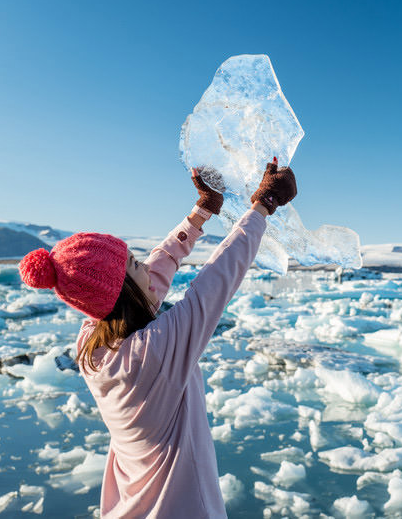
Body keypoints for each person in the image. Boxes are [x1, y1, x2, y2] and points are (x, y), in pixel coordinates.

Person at [18, 159, 297, 518]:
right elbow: (216, 280)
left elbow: (150, 279)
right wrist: (263, 204)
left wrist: (200, 214)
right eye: (136, 266)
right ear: (124, 293)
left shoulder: (92, 344)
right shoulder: (156, 351)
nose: (147, 271)